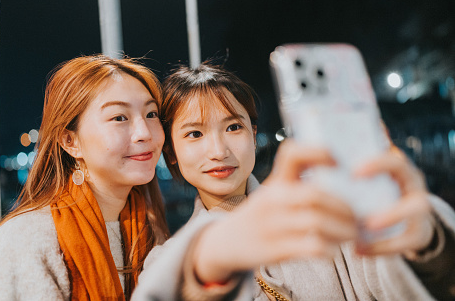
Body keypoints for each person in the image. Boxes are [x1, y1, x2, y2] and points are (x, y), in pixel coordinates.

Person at [133, 63, 455, 301]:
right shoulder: (172, 264)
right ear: (171, 153)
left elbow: (392, 280)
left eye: (233, 127)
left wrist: (423, 239)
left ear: (253, 134)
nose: (218, 151)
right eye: (194, 134)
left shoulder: (320, 206)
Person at [0, 55, 169, 300]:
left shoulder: (150, 230)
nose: (144, 133)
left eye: (151, 114)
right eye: (119, 117)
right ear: (70, 141)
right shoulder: (26, 242)